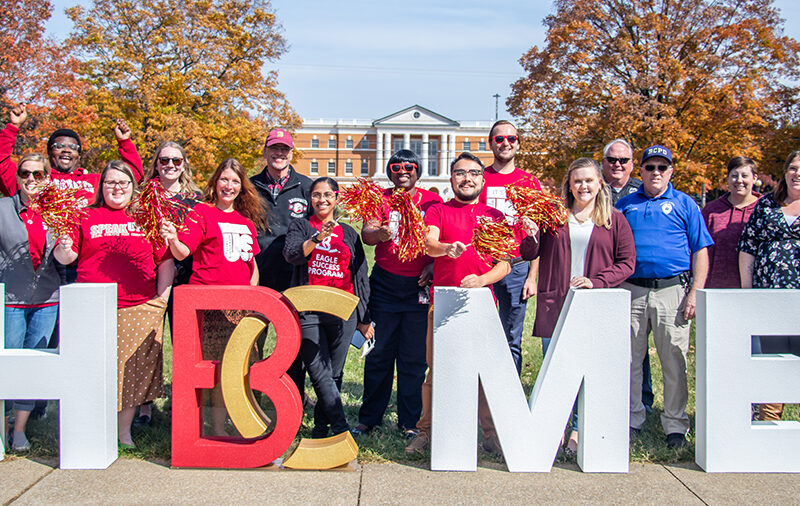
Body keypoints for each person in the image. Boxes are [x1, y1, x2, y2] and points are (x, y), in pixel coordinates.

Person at [520, 157, 636, 457]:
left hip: (593, 306)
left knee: (587, 372)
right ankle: (555, 427)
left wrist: (596, 282)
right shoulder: (554, 217)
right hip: (555, 304)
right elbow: (530, 252)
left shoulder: (613, 219)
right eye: (577, 181)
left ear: (600, 183)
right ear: (569, 185)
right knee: (556, 370)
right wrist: (531, 233)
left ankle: (577, 431)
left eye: (589, 180)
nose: (583, 186)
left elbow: (627, 263)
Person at [55, 160, 174, 448]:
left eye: (123, 182)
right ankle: (93, 428)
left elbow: (166, 260)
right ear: (101, 186)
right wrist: (63, 246)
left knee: (130, 372)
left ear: (133, 188)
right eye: (110, 182)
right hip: (91, 305)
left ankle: (123, 433)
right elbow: (66, 258)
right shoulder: (83, 216)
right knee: (92, 368)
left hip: (139, 305)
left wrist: (161, 300)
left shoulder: (147, 218)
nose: (117, 188)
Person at [405, 152, 512, 456]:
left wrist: (481, 280)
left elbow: (505, 264)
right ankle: (426, 431)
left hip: (481, 304)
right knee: (436, 370)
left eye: (474, 173)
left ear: (482, 178)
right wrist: (445, 249)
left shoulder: (495, 216)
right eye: (461, 173)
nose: (468, 178)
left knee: (483, 372)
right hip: (443, 302)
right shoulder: (438, 211)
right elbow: (428, 242)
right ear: (452, 179)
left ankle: (490, 435)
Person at [161, 158, 268, 436]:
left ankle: (236, 423)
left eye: (235, 181)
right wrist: (173, 238)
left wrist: (252, 299)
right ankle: (211, 430)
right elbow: (183, 252)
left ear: (242, 187)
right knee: (211, 369)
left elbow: (251, 265)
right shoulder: (201, 213)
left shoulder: (246, 221)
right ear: (215, 182)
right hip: (207, 306)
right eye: (224, 179)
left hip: (240, 308)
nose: (228, 186)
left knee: (236, 369)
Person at [616, 145, 713, 449]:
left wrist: (695, 292)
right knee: (630, 359)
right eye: (650, 167)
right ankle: (632, 419)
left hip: (673, 291)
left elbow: (700, 250)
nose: (656, 173)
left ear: (671, 171)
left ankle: (675, 424)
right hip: (631, 289)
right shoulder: (625, 205)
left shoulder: (686, 204)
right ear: (640, 171)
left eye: (662, 167)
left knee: (673, 359)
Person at [352, 150, 442, 438]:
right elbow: (367, 232)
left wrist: (430, 263)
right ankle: (369, 419)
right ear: (389, 170)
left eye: (409, 166)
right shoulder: (380, 198)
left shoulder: (431, 201)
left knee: (413, 357)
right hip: (385, 284)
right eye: (396, 166)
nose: (402, 171)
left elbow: (441, 237)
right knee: (379, 353)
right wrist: (379, 235)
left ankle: (409, 422)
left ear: (419, 170)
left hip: (418, 286)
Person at [283, 177, 373, 438]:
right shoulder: (301, 226)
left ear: (336, 198)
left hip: (343, 309)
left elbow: (360, 277)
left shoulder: (348, 233)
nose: (321, 200)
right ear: (310, 199)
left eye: (327, 195)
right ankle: (342, 429)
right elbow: (291, 254)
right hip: (308, 308)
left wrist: (364, 318)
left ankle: (321, 430)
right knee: (317, 369)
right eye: (316, 195)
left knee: (334, 373)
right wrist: (316, 238)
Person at [136, 141, 202, 427]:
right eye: (165, 160)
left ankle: (183, 400)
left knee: (184, 343)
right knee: (147, 342)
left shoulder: (195, 199)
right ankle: (143, 406)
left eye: (176, 161)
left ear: (184, 164)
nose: (170, 166)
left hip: (186, 279)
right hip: (146, 277)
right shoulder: (143, 197)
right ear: (156, 163)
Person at [1, 154, 61, 452]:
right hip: (11, 300)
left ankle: (20, 429)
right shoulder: (2, 209)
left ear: (48, 178)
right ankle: (4, 423)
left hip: (47, 299)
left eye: (39, 174)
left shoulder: (56, 213)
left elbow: (63, 257)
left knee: (32, 364)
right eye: (25, 174)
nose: (31, 180)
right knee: (9, 365)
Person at [250, 128, 313, 406]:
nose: (279, 154)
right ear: (265, 151)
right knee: (251, 338)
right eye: (274, 148)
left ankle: (292, 396)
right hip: (258, 274)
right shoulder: (249, 186)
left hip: (294, 276)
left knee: (293, 340)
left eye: (284, 149)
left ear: (291, 153)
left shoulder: (306, 187)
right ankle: (248, 393)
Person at [738, 151, 800, 422]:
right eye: (794, 168)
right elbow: (748, 247)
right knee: (770, 357)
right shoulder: (766, 205)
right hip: (768, 295)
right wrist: (748, 292)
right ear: (785, 171)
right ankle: (767, 419)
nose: (797, 173)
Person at [479, 120, 542, 375]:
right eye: (499, 139)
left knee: (511, 337)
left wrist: (532, 277)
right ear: (490, 143)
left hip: (517, 268)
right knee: (480, 331)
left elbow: (537, 236)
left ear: (518, 143)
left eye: (511, 139)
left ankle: (509, 396)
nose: (505, 143)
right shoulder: (479, 178)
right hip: (484, 264)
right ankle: (481, 390)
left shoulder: (529, 182)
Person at [601, 138, 653, 415]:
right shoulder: (593, 189)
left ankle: (642, 399)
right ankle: (606, 395)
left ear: (633, 165)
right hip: (601, 275)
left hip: (636, 277)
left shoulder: (645, 191)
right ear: (603, 163)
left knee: (638, 343)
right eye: (612, 160)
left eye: (623, 160)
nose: (617, 165)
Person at [0, 103, 144, 202]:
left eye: (73, 148)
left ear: (79, 156)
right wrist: (13, 127)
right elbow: (2, 165)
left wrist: (125, 142)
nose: (67, 150)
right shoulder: (32, 179)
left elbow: (131, 177)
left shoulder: (94, 182)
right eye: (59, 145)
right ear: (49, 151)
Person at [702, 157, 760, 289]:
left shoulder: (764, 210)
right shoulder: (711, 211)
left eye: (745, 175)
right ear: (728, 179)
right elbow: (699, 249)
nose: (739, 180)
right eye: (734, 176)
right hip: (715, 288)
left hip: (755, 290)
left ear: (754, 178)